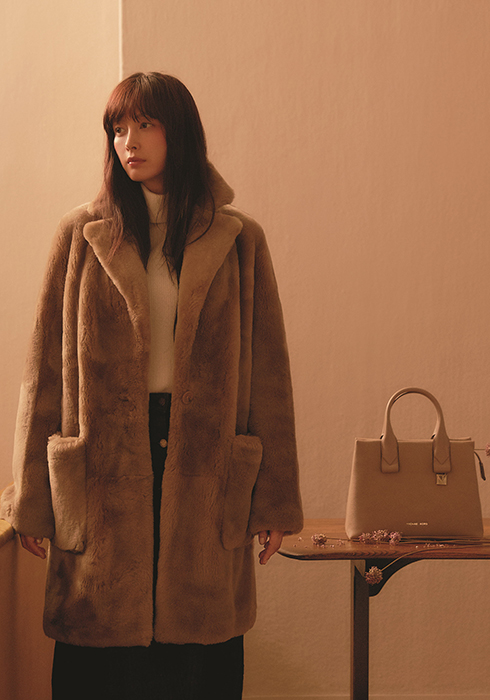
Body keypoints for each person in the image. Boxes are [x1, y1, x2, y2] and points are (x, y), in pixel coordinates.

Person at [0, 72, 303, 699]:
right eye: (117, 129)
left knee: (198, 656)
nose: (128, 142)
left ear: (178, 132)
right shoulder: (81, 235)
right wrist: (31, 497)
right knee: (99, 659)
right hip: (103, 468)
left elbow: (270, 375)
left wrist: (274, 500)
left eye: (144, 124)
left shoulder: (239, 240)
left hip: (203, 462)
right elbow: (44, 372)